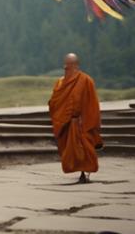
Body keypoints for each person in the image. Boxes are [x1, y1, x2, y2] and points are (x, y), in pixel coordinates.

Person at [48, 53, 103, 184]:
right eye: (65, 67)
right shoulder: (60, 83)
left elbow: (92, 103)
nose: (66, 69)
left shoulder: (86, 80)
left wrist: (89, 122)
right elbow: (54, 102)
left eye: (69, 66)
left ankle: (85, 173)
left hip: (82, 122)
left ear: (76, 66)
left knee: (85, 149)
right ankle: (80, 172)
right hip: (66, 123)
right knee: (70, 152)